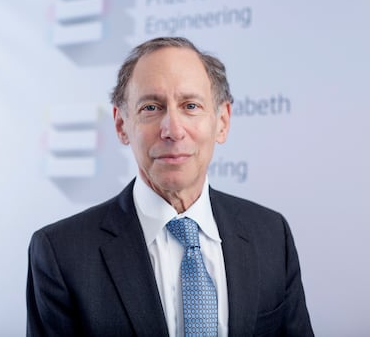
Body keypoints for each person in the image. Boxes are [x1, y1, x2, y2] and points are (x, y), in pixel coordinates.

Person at [26, 37, 313, 337]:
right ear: (121, 125)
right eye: (151, 107)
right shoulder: (61, 253)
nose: (173, 130)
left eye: (191, 106)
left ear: (222, 122)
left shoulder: (271, 235)